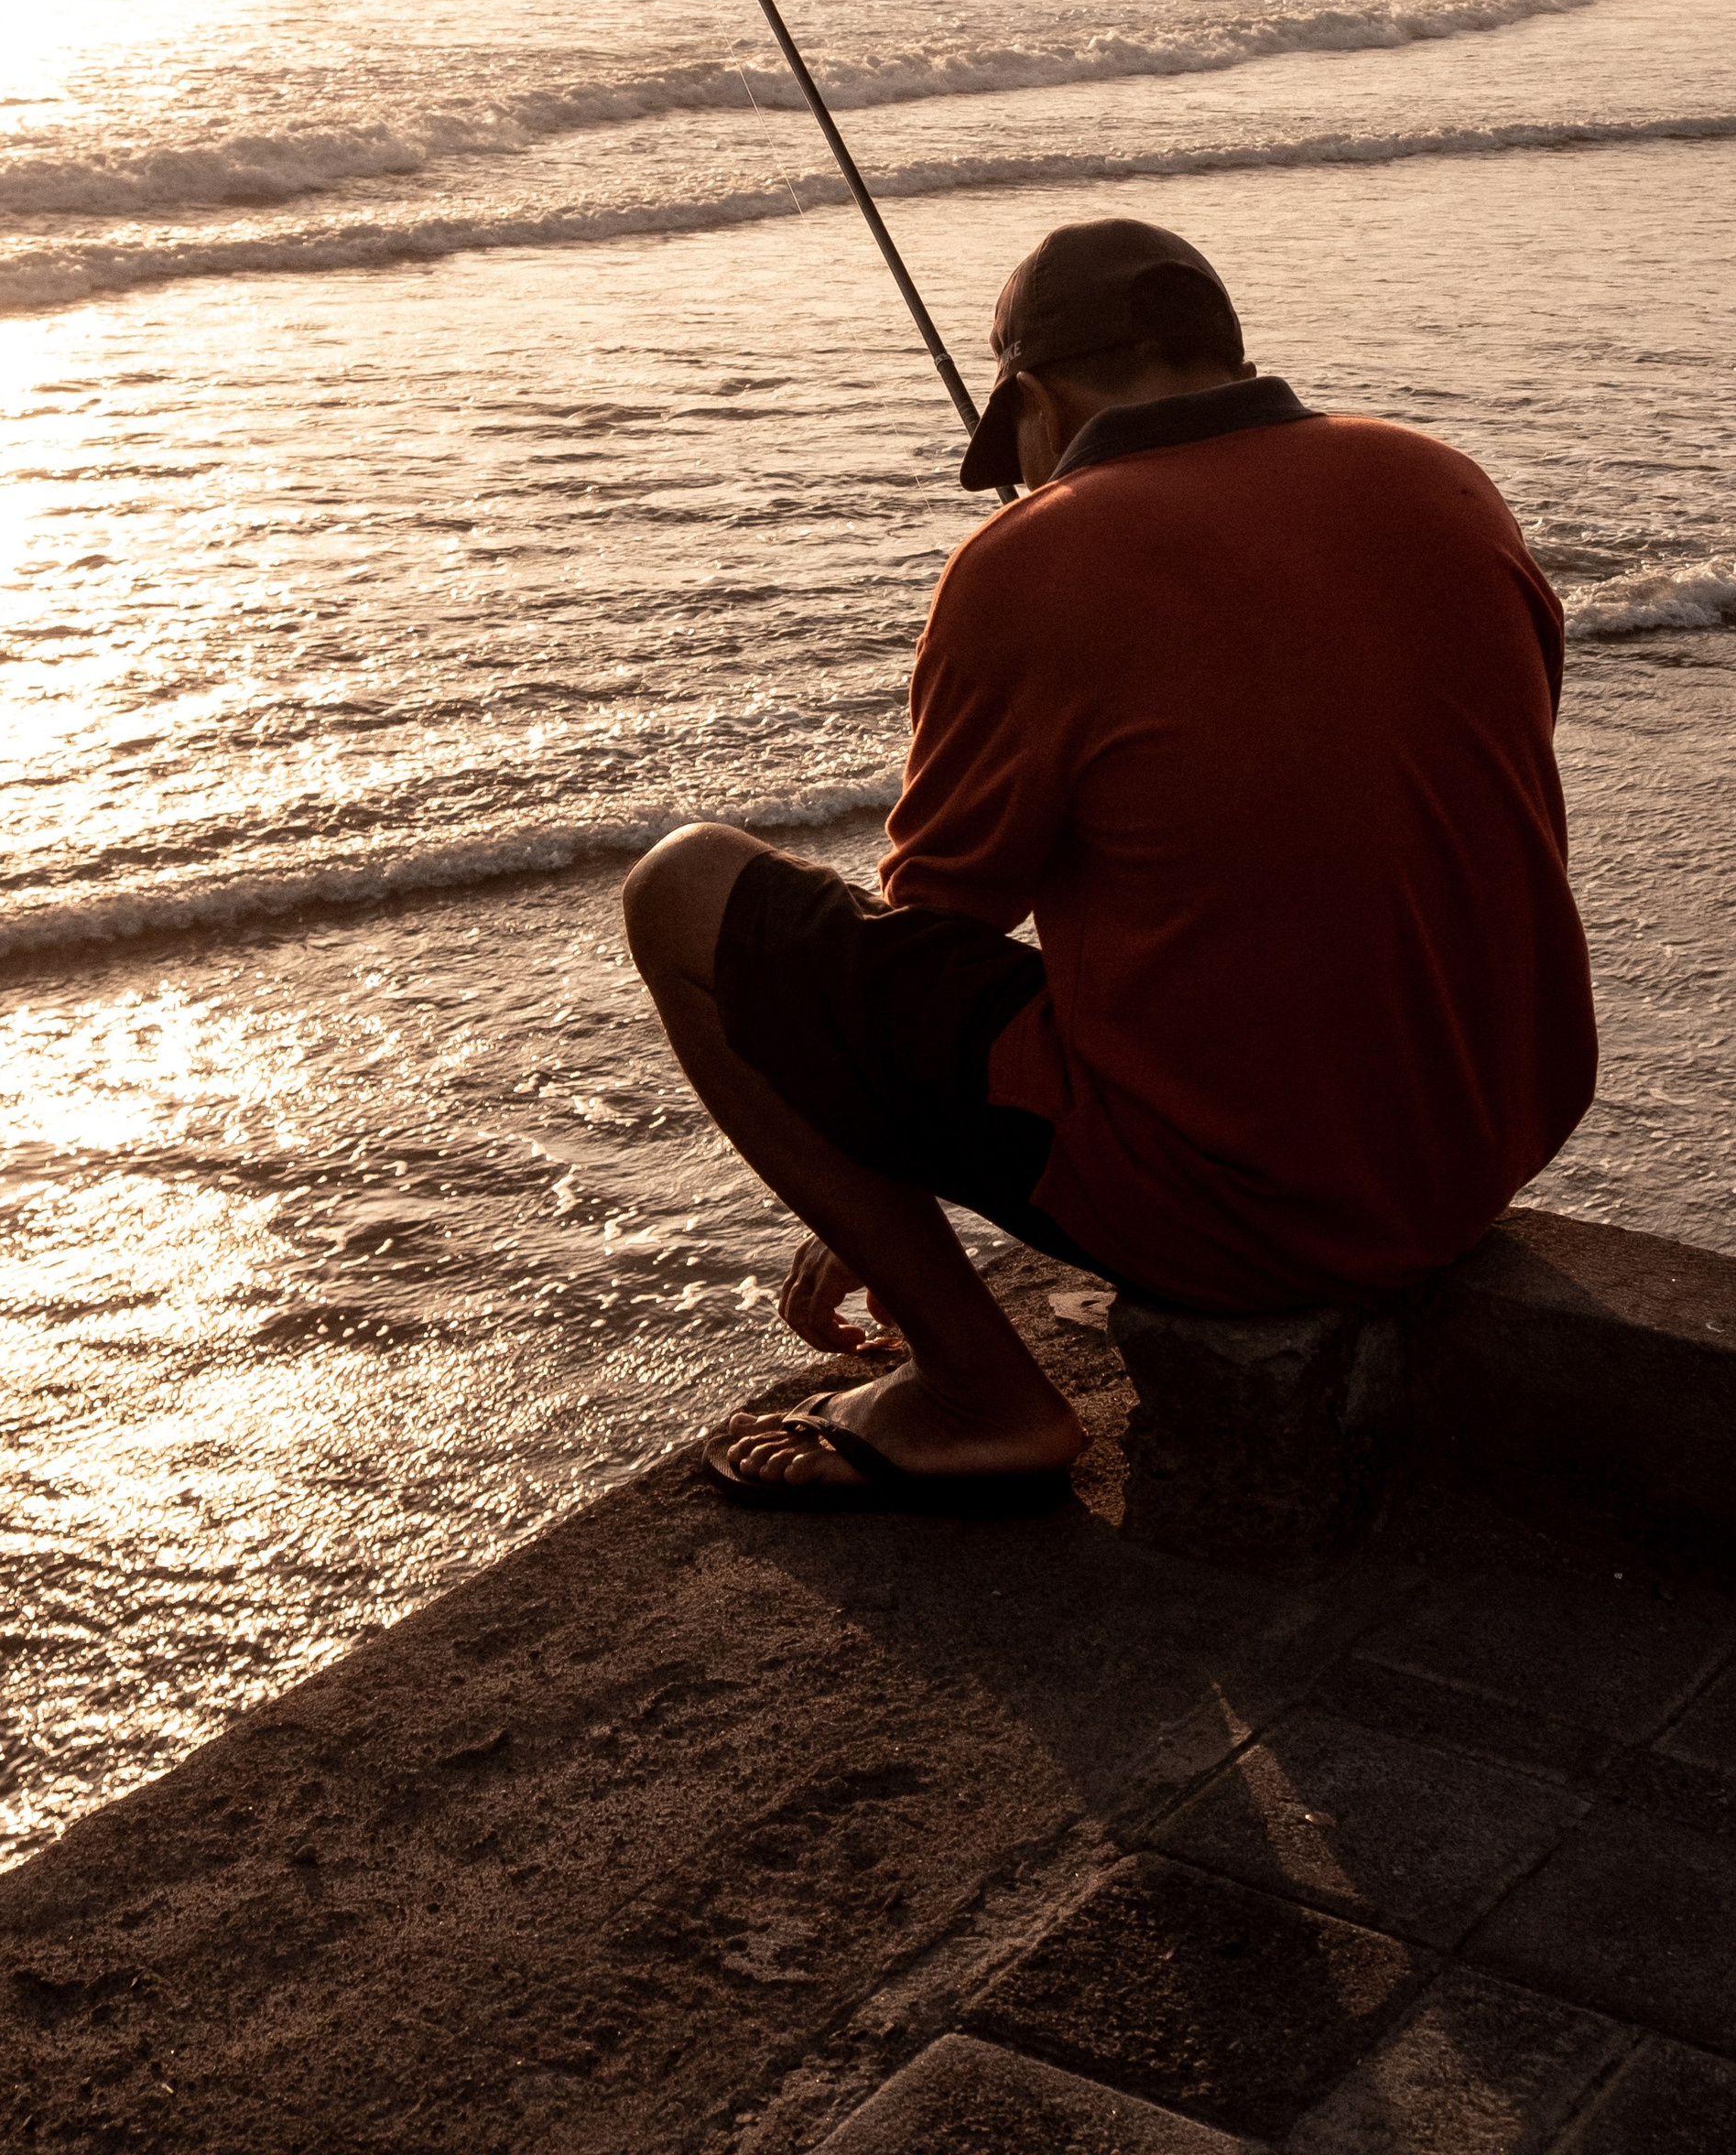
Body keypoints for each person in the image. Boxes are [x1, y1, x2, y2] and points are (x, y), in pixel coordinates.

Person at [622, 215, 1595, 1514]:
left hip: (1258, 1215)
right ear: (1224, 353)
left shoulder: (1026, 561)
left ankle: (975, 1393)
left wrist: (861, 1196)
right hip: (1488, 1141)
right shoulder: (1443, 482)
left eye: (1015, 455)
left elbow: (937, 918)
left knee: (683, 887)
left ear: (1033, 399)